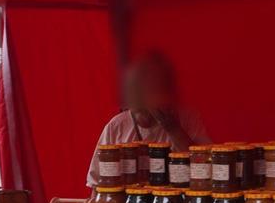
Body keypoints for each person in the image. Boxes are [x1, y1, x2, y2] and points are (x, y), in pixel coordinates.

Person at [86, 52, 210, 186]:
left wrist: (173, 129)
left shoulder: (187, 117)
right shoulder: (116, 126)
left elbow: (206, 171)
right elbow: (96, 185)